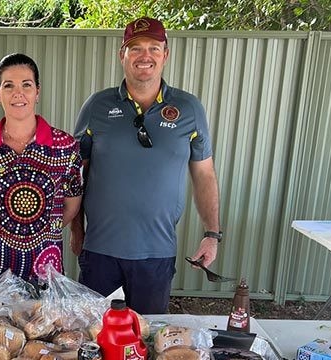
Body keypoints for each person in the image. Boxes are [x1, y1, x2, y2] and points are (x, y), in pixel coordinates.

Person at [71, 17, 222, 314]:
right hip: (100, 252)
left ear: (165, 54)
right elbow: (76, 174)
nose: (145, 56)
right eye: (135, 48)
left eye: (154, 47)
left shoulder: (189, 109)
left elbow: (204, 175)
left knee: (148, 338)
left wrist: (212, 234)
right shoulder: (97, 106)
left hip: (156, 255)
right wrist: (77, 231)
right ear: (122, 55)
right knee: (92, 337)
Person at [0, 53, 83, 287]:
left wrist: (39, 228)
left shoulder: (65, 146)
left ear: (37, 92)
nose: (18, 93)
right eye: (9, 86)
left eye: (26, 85)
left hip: (44, 267)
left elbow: (71, 205)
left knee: (39, 324)